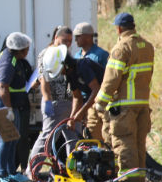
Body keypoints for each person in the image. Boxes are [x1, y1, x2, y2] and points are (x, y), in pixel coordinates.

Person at [94, 12, 154, 182]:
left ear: (119, 28)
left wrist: (100, 102)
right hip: (142, 103)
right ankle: (138, 179)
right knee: (138, 143)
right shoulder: (147, 46)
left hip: (124, 105)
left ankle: (127, 178)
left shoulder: (121, 48)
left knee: (124, 141)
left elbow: (112, 78)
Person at [27, 26, 77, 170]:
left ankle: (73, 171)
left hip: (68, 103)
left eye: (69, 41)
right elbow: (43, 80)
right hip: (54, 102)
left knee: (72, 139)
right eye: (64, 40)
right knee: (47, 138)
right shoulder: (46, 54)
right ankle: (32, 170)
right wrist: (48, 100)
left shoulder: (65, 53)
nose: (67, 43)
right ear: (56, 38)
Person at [0, 31, 32, 182]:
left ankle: (11, 172)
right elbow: (3, 87)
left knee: (12, 139)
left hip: (8, 103)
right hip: (1, 103)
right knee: (6, 140)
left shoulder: (12, 58)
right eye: (26, 48)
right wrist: (8, 109)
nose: (28, 51)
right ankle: (2, 174)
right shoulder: (7, 61)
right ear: (19, 50)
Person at [42, 44, 104, 141]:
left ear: (66, 65)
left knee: (107, 135)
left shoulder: (84, 65)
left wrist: (81, 112)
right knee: (92, 135)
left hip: (108, 102)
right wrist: (72, 118)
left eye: (60, 70)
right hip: (96, 104)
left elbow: (96, 90)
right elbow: (77, 97)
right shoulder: (70, 74)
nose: (61, 73)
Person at [73, 22, 109, 141]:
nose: (75, 39)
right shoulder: (76, 56)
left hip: (97, 102)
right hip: (83, 102)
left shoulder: (101, 55)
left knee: (98, 136)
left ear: (88, 36)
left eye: (78, 36)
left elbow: (107, 79)